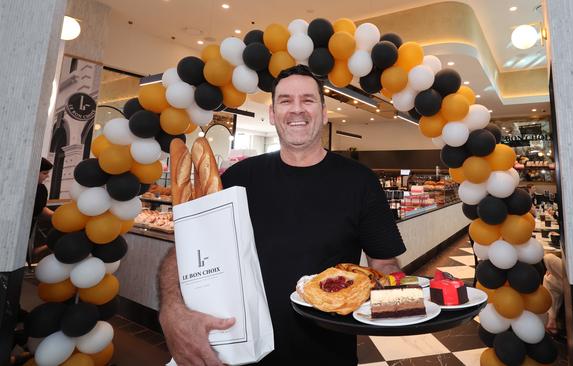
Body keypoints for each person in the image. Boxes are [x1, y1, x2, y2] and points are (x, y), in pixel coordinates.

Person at [157, 65, 406, 366]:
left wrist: (399, 301)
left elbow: (385, 265)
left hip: (327, 357)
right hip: (240, 355)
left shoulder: (360, 181)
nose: (297, 110)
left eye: (308, 100)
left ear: (324, 112)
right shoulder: (238, 178)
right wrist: (171, 308)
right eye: (286, 101)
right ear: (273, 114)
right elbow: (183, 252)